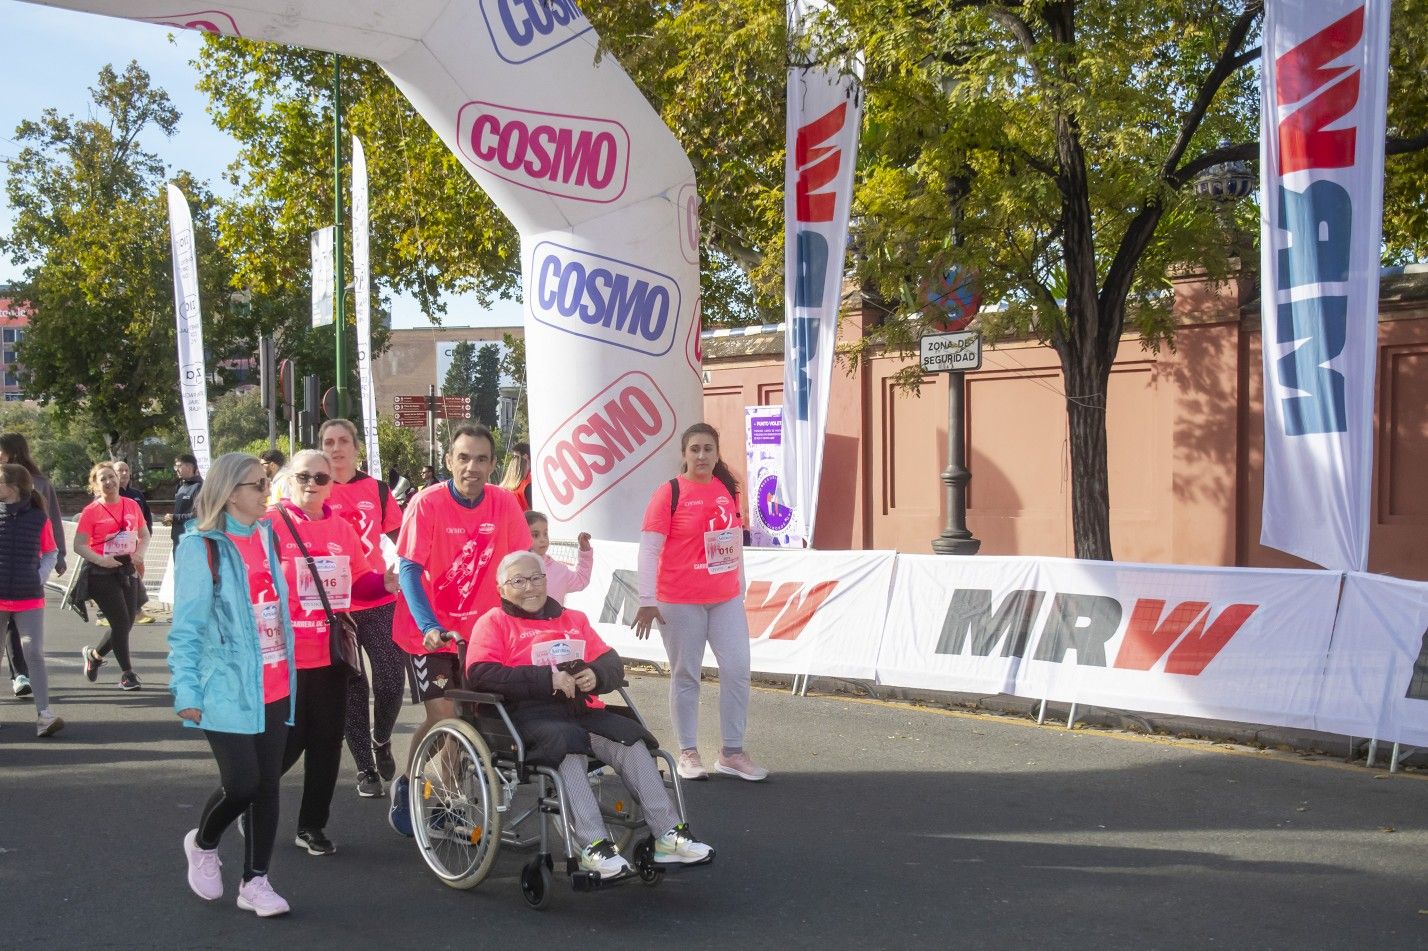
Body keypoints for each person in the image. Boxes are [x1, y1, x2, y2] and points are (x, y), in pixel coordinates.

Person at [466, 551, 713, 878]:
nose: (530, 587)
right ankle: (593, 846)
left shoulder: (573, 619)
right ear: (501, 588)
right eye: (519, 581)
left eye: (536, 578)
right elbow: (481, 674)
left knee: (629, 738)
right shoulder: (493, 622)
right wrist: (546, 679)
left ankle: (668, 835)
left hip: (579, 709)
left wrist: (595, 675)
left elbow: (611, 662)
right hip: (524, 715)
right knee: (566, 743)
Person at [168, 452, 297, 917]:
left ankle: (255, 881)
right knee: (242, 783)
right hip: (225, 686)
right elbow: (186, 628)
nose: (266, 492)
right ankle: (203, 844)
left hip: (276, 681)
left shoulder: (267, 536)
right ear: (228, 493)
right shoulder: (200, 547)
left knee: (267, 786)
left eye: (266, 482)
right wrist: (186, 690)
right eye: (257, 485)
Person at [388, 424, 531, 836]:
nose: (472, 467)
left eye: (482, 459)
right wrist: (429, 624)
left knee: (468, 722)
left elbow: (521, 566)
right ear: (449, 461)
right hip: (428, 635)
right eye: (464, 458)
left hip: (480, 636)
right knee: (446, 717)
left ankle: (438, 798)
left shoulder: (504, 503)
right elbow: (409, 570)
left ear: (493, 464)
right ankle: (420, 792)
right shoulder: (427, 503)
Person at [268, 449, 397, 855]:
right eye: (303, 476)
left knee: (326, 744)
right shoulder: (271, 523)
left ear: (330, 485)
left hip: (331, 654)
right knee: (287, 743)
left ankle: (311, 826)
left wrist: (384, 583)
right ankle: (247, 797)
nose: (312, 484)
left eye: (320, 478)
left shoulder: (341, 528)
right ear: (290, 480)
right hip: (284, 657)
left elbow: (359, 583)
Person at [632, 423, 767, 782]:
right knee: (686, 674)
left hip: (724, 599)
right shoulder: (669, 493)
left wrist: (739, 587)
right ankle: (688, 752)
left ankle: (732, 753)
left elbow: (733, 542)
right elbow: (649, 549)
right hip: (679, 600)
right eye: (695, 449)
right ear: (684, 454)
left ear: (717, 453)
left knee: (737, 669)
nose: (702, 456)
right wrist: (647, 599)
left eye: (708, 449)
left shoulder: (726, 490)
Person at [318, 419, 405, 798]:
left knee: (391, 680)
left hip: (378, 597)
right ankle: (366, 769)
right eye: (328, 442)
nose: (336, 448)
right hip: (335, 606)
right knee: (353, 687)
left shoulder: (377, 490)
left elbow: (404, 540)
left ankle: (381, 739)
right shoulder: (315, 490)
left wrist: (410, 571)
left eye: (343, 441)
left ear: (356, 448)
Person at [0, 432, 66, 698]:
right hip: (5, 567)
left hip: (31, 564)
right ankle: (20, 673)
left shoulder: (40, 483)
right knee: (9, 623)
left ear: (13, 451)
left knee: (22, 627)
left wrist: (59, 556)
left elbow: (53, 520)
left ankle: (24, 675)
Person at [75, 462, 150, 690]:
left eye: (111, 476)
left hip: (127, 569)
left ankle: (95, 656)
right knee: (120, 622)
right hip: (101, 572)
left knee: (126, 623)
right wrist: (102, 560)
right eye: (103, 479)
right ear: (95, 485)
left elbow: (144, 534)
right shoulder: (91, 511)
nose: (108, 482)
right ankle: (127, 674)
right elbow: (79, 545)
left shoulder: (131, 505)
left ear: (118, 479)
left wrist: (139, 553)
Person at [114, 460, 155, 625]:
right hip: (114, 545)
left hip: (135, 544)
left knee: (136, 575)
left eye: (126, 470)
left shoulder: (137, 495)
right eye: (120, 470)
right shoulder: (108, 495)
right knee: (116, 577)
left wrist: (146, 535)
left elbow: (146, 517)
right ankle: (107, 613)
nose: (124, 473)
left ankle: (135, 610)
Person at [525, 510, 592, 604]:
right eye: (535, 535)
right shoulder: (514, 569)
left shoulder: (560, 571)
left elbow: (581, 580)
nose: (543, 539)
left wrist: (585, 552)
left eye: (545, 534)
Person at [164, 453, 203, 543]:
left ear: (189, 467)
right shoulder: (181, 487)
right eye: (175, 467)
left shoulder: (199, 487)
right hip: (177, 538)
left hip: (191, 540)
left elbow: (198, 516)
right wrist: (171, 520)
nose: (176, 469)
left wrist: (174, 517)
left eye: (179, 466)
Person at [498, 441, 532, 510]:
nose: (514, 460)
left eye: (515, 457)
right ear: (526, 457)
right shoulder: (528, 485)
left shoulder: (503, 486)